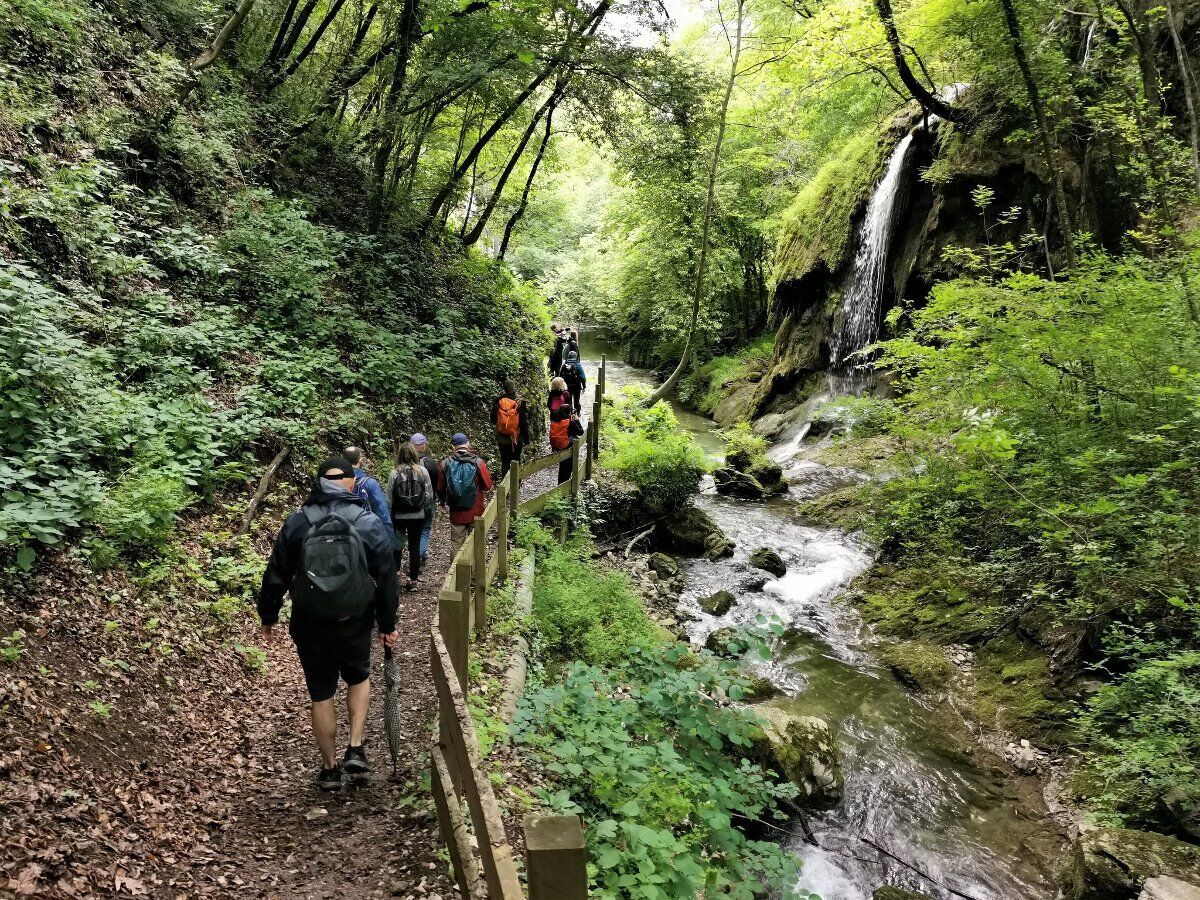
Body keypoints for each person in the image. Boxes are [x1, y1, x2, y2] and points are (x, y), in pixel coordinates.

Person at [258, 458, 398, 792]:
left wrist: (269, 615)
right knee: (358, 676)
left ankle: (330, 769)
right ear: (352, 483)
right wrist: (387, 623)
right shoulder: (367, 522)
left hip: (309, 623)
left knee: (321, 693)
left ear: (319, 484)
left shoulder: (298, 522)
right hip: (354, 619)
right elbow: (386, 576)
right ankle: (356, 746)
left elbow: (276, 573)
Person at [388, 442, 435, 590]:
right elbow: (429, 496)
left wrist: (389, 515)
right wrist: (423, 508)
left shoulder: (394, 473)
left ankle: (395, 579)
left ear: (399, 455)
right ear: (415, 454)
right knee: (414, 547)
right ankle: (413, 581)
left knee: (397, 547)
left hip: (399, 516)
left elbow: (388, 498)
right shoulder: (422, 471)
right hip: (417, 515)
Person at [439, 433, 493, 557]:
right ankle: (475, 572)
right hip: (476, 509)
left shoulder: (445, 464)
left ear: (453, 447)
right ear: (468, 444)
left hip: (456, 511)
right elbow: (489, 485)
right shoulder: (478, 462)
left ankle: (457, 574)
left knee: (456, 543)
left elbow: (441, 489)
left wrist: (442, 503)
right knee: (477, 542)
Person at [344, 446, 395, 544]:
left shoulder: (335, 482)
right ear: (360, 460)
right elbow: (382, 513)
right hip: (365, 535)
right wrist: (389, 541)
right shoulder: (370, 484)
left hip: (343, 536)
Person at [410, 433, 441, 568]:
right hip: (427, 502)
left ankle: (413, 556)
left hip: (409, 503)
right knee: (425, 529)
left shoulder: (404, 463)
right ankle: (420, 555)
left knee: (413, 530)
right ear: (424, 445)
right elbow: (436, 481)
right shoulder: (430, 462)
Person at [491, 380, 530, 479]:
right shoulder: (519, 402)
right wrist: (526, 440)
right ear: (514, 388)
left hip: (502, 437)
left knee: (505, 460)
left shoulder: (498, 402)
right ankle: (517, 482)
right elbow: (523, 423)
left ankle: (506, 486)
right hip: (517, 436)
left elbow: (492, 419)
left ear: (504, 389)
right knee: (516, 459)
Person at [549, 404, 585, 484]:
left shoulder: (554, 417)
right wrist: (576, 420)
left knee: (562, 466)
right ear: (569, 412)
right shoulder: (569, 422)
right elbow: (580, 432)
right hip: (566, 445)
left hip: (556, 445)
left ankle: (561, 484)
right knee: (567, 468)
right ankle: (564, 486)